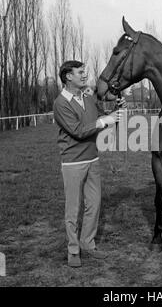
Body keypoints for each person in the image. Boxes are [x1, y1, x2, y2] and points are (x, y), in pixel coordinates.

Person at [53, 60, 127, 268]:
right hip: (73, 164)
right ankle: (73, 250)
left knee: (93, 205)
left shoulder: (87, 98)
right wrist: (106, 120)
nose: (84, 75)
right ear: (68, 76)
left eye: (84, 72)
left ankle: (87, 243)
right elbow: (78, 130)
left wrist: (116, 111)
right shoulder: (60, 103)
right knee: (73, 209)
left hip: (92, 160)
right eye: (80, 72)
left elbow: (100, 119)